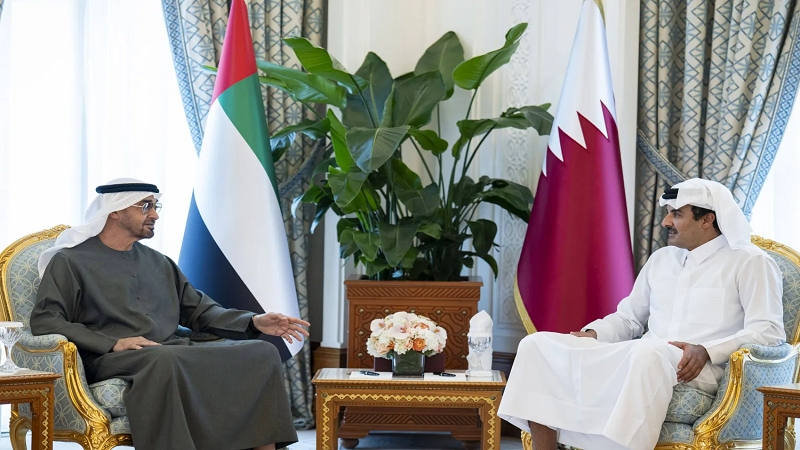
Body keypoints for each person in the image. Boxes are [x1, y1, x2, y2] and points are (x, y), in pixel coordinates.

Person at [498, 178, 785, 450]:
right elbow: (629, 318)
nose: (666, 222)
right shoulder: (662, 259)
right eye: (668, 213)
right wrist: (593, 334)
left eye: (677, 214)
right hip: (645, 357)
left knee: (647, 353)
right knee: (537, 344)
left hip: (699, 368)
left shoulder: (750, 262)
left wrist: (707, 351)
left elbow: (769, 331)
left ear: (707, 219)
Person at [31, 178, 309, 450]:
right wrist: (114, 343)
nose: (154, 215)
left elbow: (199, 310)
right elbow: (47, 319)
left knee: (261, 352)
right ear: (115, 210)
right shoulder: (70, 261)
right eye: (145, 206)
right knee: (160, 359)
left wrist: (253, 321)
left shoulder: (159, 262)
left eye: (155, 206)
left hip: (168, 349)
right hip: (110, 356)